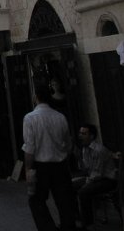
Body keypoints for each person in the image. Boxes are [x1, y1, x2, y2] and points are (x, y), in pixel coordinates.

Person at [23, 82, 77, 231]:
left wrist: (28, 169)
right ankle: (68, 227)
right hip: (60, 165)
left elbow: (30, 148)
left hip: (41, 166)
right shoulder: (60, 117)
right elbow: (68, 144)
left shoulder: (30, 118)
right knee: (64, 201)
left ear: (36, 97)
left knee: (36, 200)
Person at [71, 124, 117, 229]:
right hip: (94, 177)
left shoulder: (98, 150)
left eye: (84, 133)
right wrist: (78, 158)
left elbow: (98, 173)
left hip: (107, 179)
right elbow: (87, 169)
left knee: (83, 192)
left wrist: (86, 181)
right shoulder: (85, 149)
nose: (80, 136)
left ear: (91, 136)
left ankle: (88, 223)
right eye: (80, 133)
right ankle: (76, 216)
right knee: (69, 186)